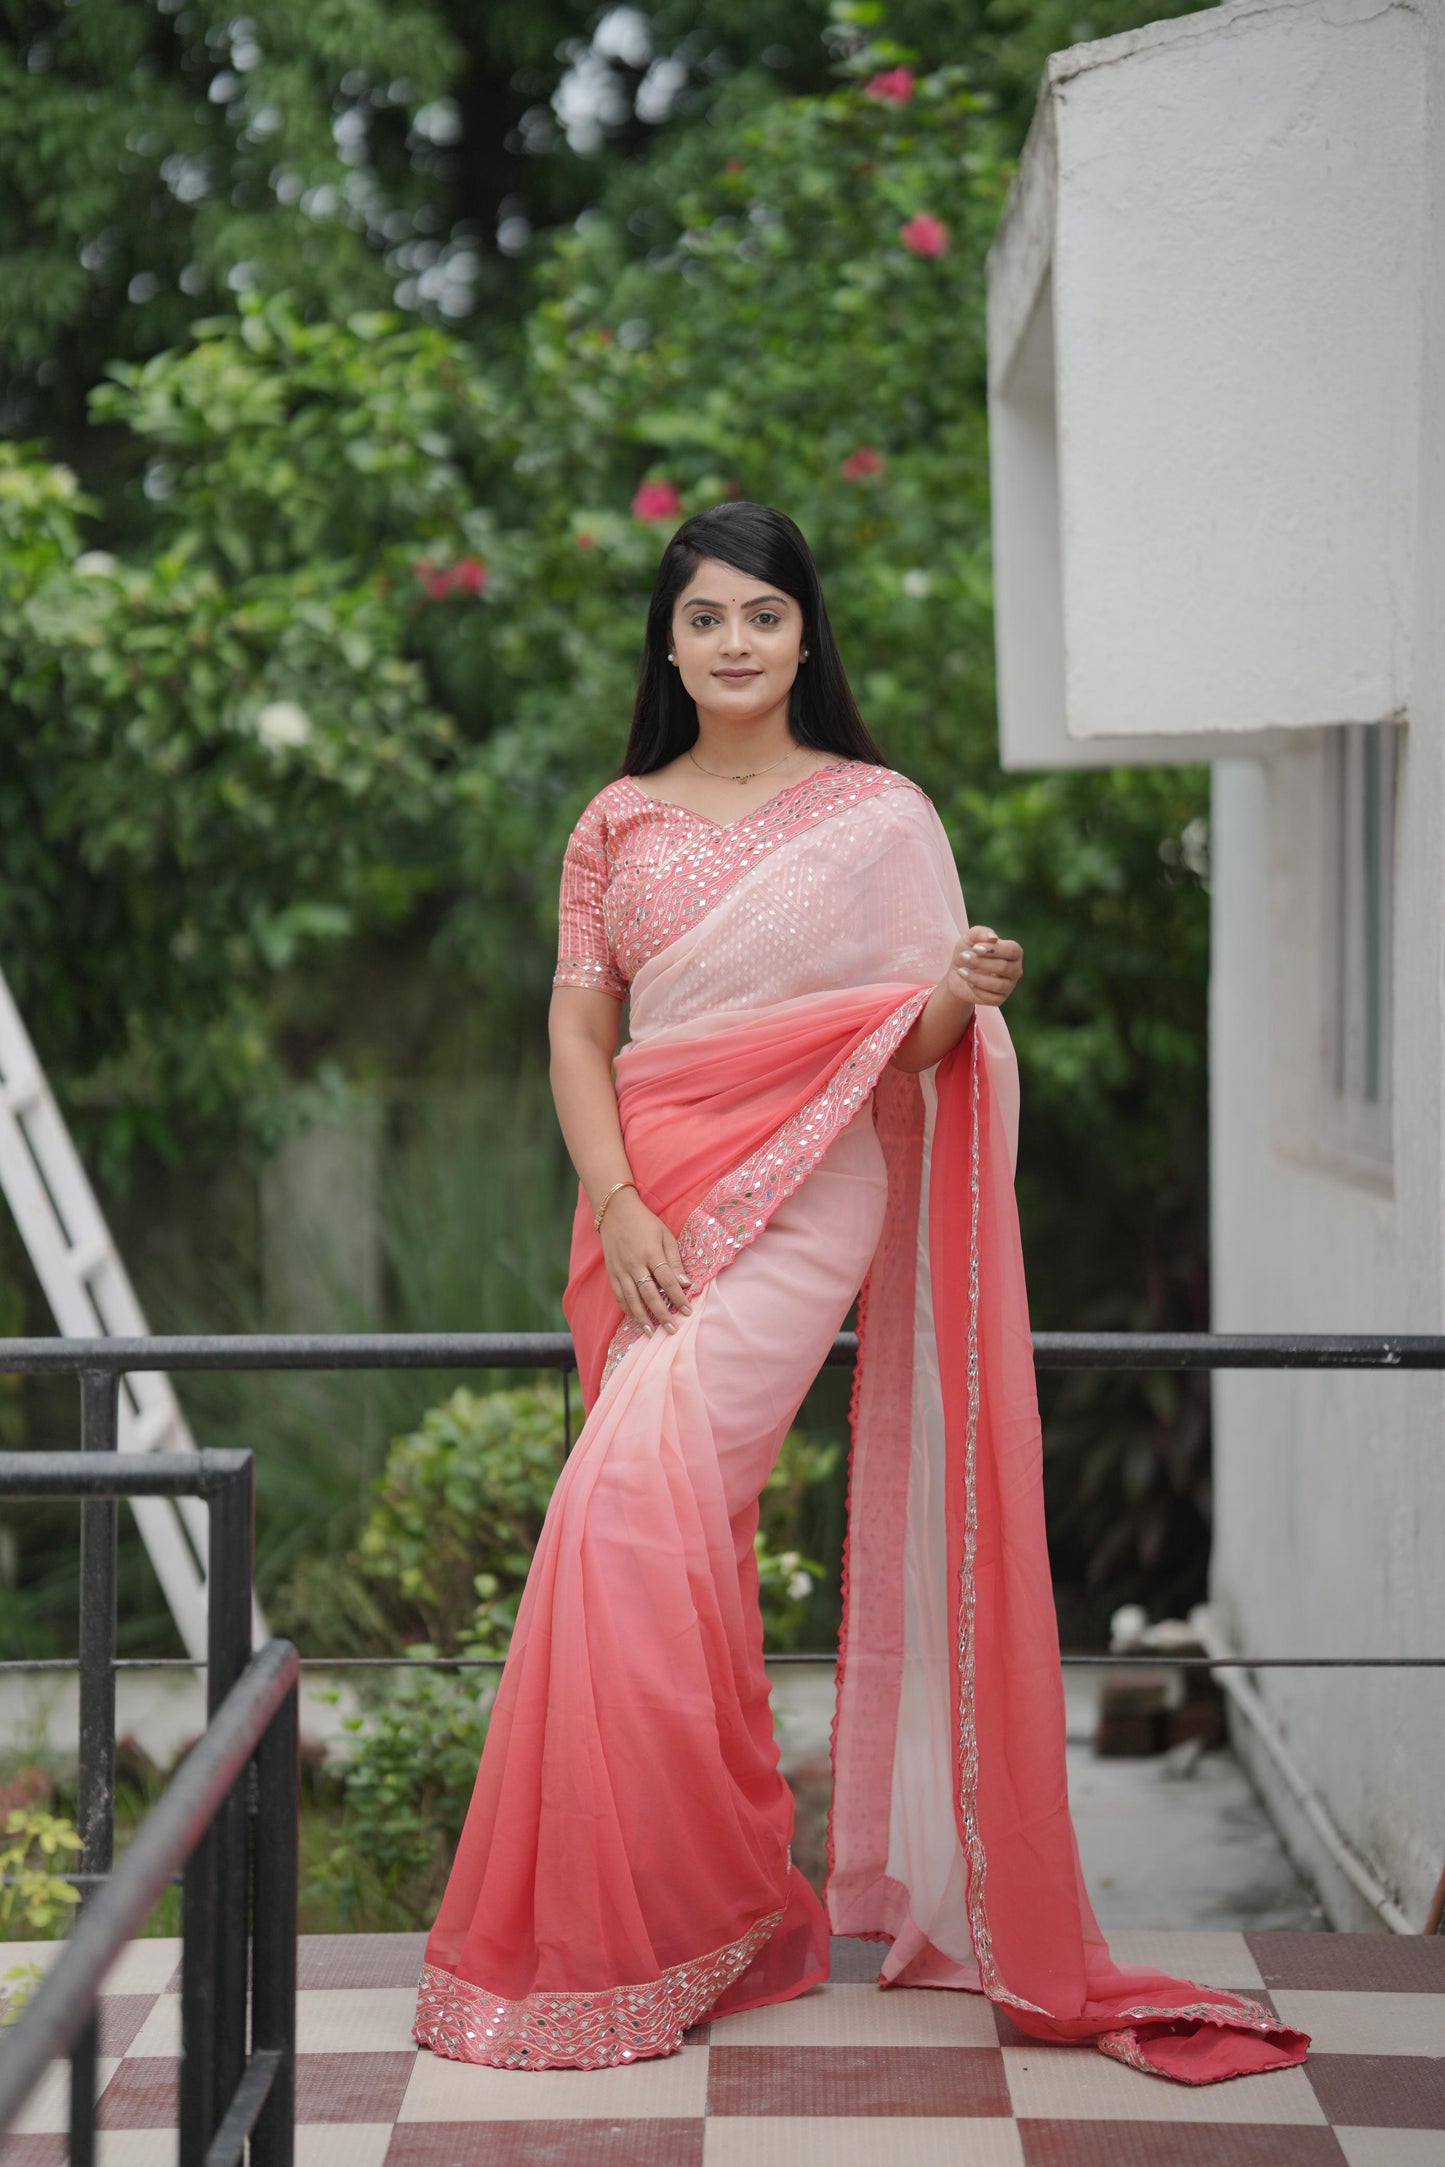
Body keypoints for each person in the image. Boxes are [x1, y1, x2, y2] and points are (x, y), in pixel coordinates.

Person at [411, 501, 1309, 2085]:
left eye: (764, 615)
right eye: (705, 619)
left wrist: (956, 1004)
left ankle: (662, 1923)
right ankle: (705, 1917)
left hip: (816, 1185)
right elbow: (575, 1031)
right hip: (645, 1196)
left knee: (622, 1516)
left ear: (805, 637)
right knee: (659, 1539)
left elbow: (899, 1051)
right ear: (668, 642)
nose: (735, 642)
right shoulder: (615, 819)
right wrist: (616, 1197)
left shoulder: (879, 813)